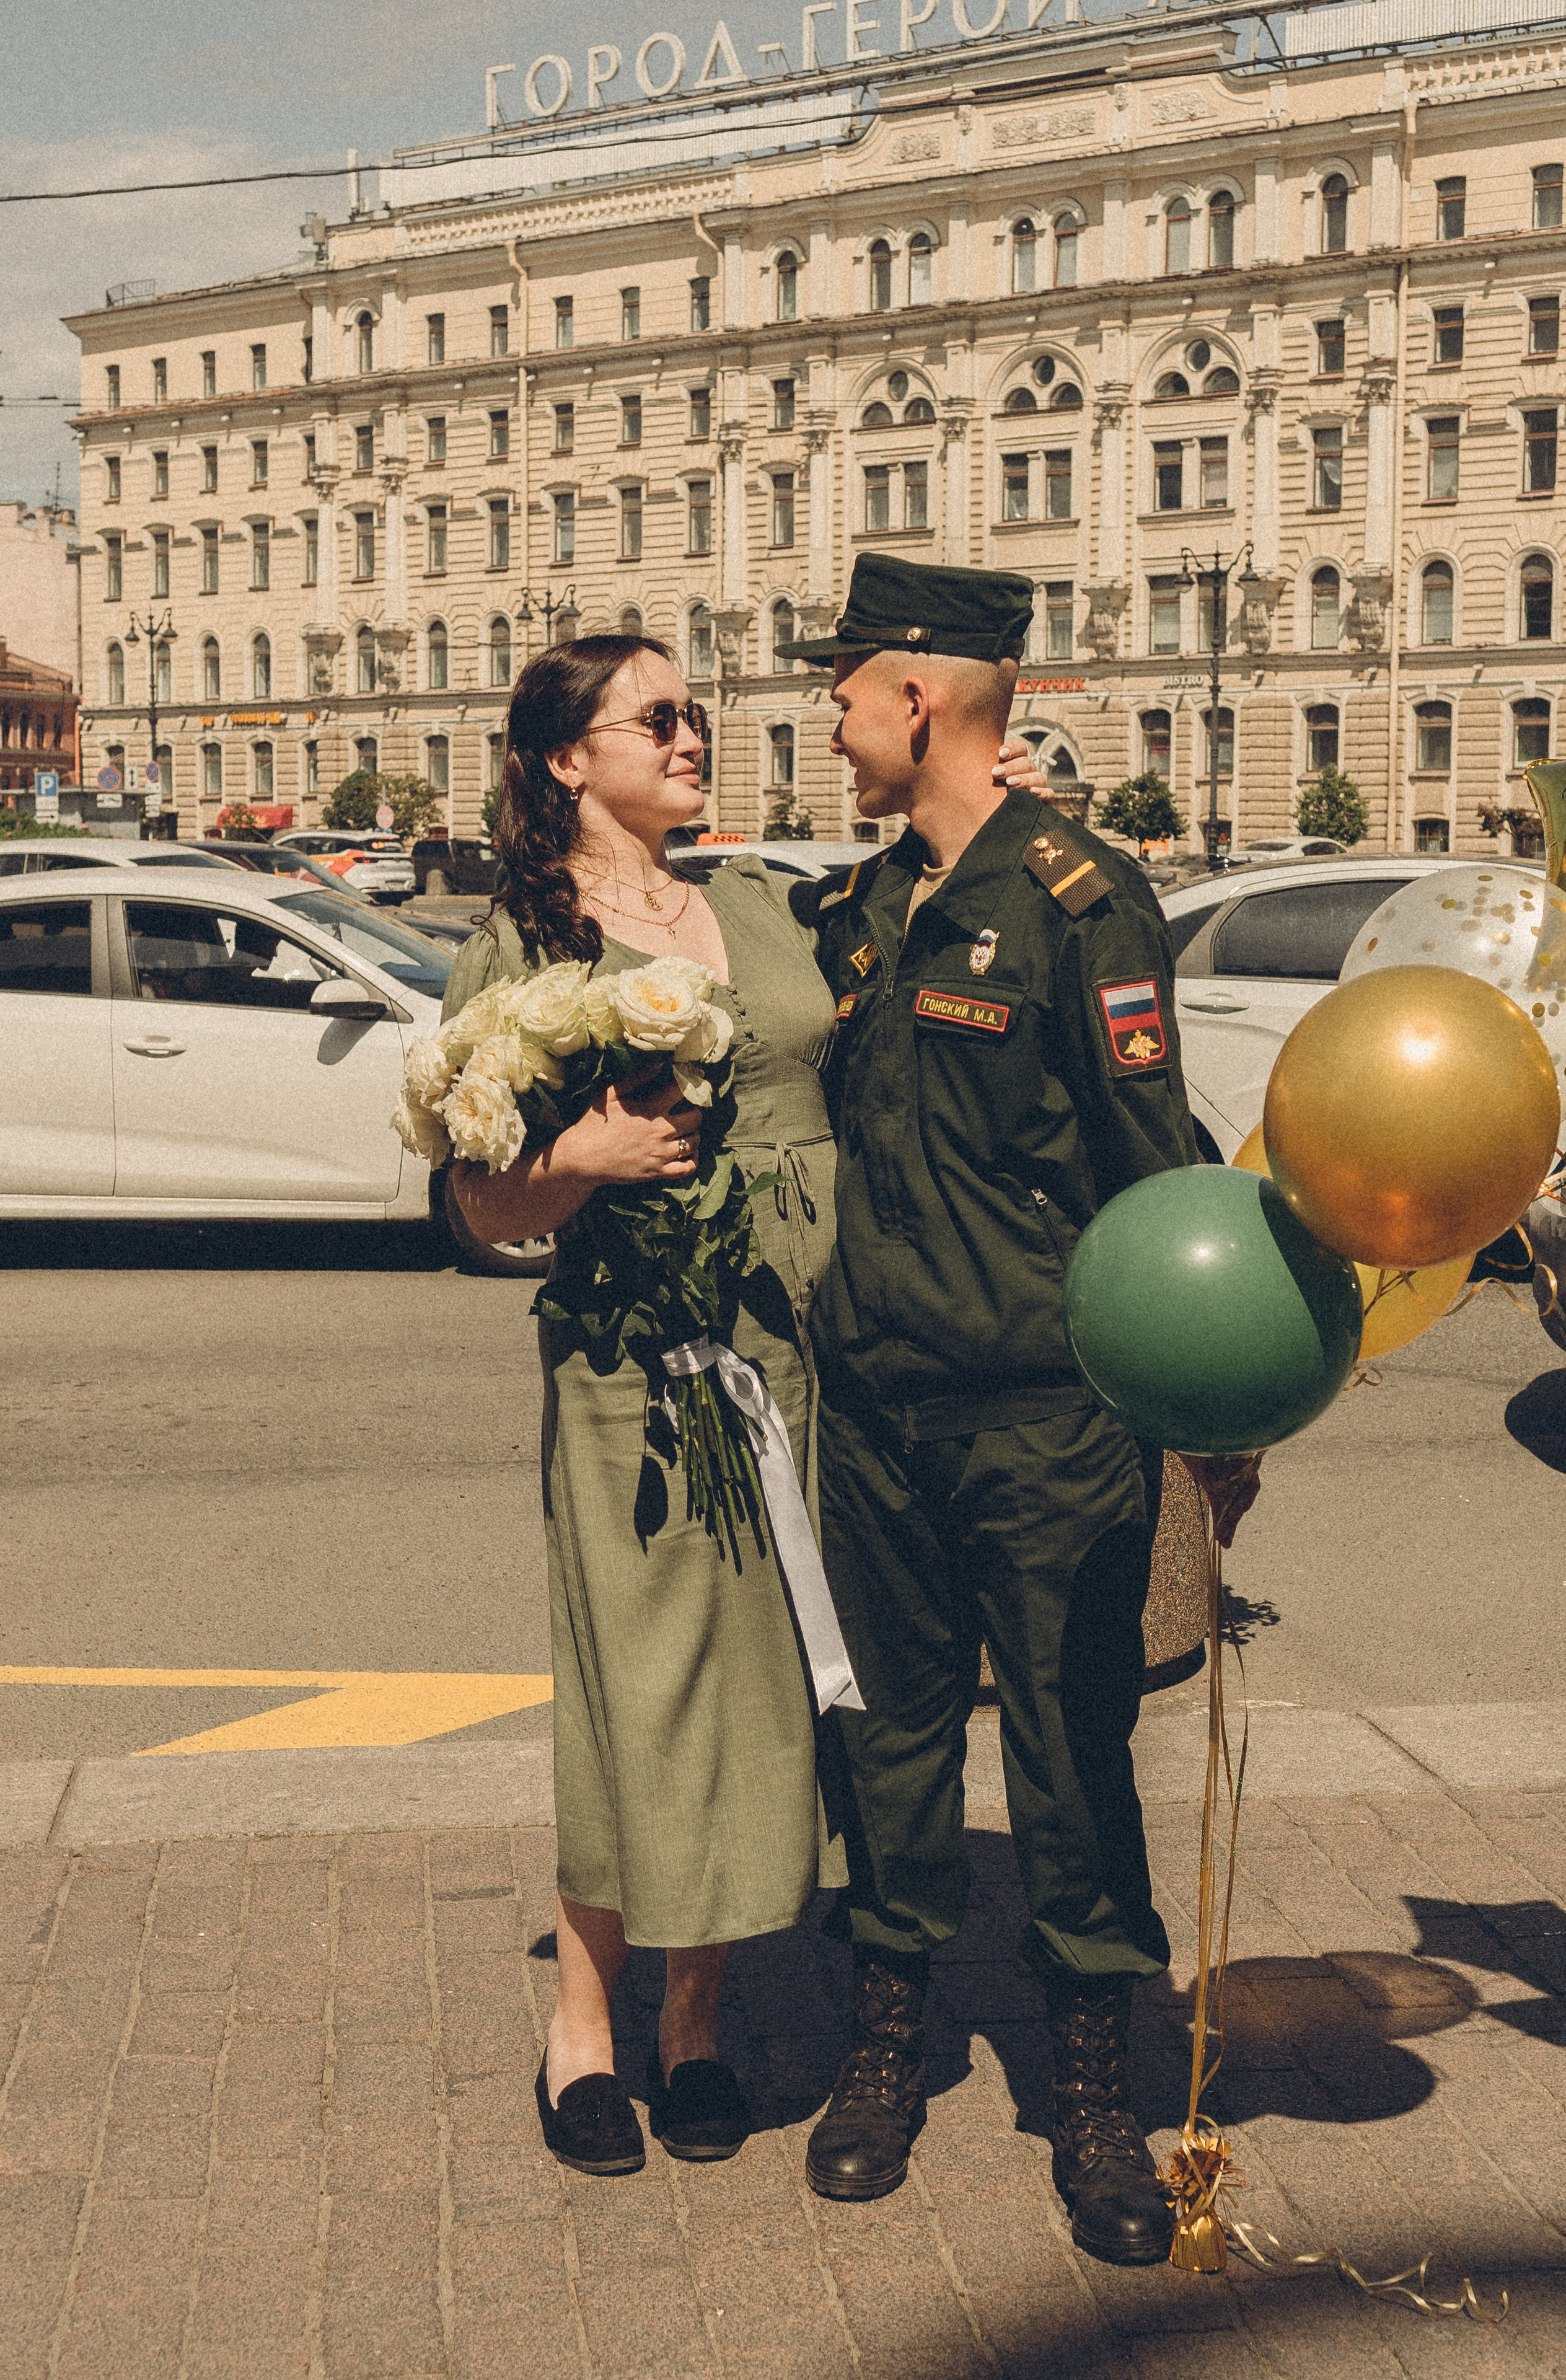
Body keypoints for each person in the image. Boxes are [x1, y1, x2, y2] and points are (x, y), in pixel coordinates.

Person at [776, 554, 1247, 2265]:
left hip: (1047, 1418)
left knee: (1068, 1762)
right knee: (885, 1742)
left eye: (846, 689)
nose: (828, 718)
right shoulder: (858, 909)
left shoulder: (1075, 898)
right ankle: (887, 2049)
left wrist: (1215, 1417)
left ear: (919, 697)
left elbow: (1153, 1172)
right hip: (878, 1407)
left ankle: (1097, 2096)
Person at [446, 634, 845, 2178]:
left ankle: (697, 2029)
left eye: (699, 713)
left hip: (804, 1345)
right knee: (636, 1678)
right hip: (640, 1360)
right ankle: (582, 2030)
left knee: (758, 1685)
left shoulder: (756, 902)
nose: (693, 735)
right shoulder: (526, 944)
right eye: (659, 717)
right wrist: (580, 1166)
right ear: (565, 758)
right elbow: (475, 1203)